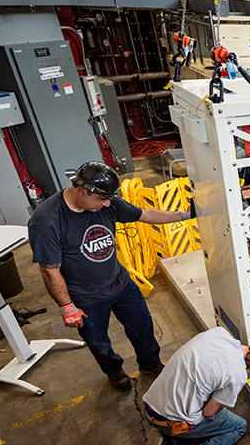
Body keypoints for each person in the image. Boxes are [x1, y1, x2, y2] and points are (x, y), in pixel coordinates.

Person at [28, 161, 195, 391]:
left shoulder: (106, 203)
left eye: (109, 198)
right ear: (82, 191)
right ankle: (114, 372)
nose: (108, 204)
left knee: (142, 326)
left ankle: (150, 363)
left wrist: (186, 215)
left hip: (120, 283)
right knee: (98, 342)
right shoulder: (47, 220)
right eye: (102, 199)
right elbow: (49, 269)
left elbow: (144, 214)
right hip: (85, 297)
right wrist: (67, 306)